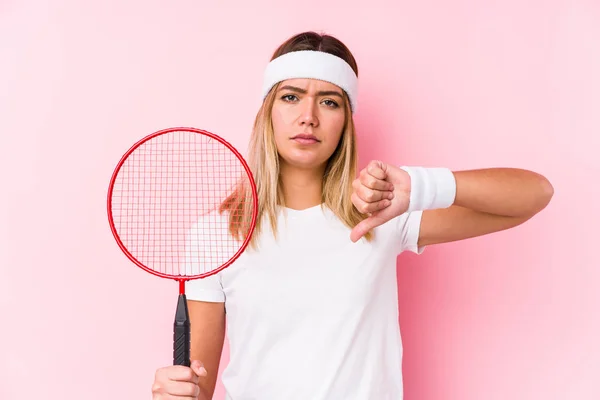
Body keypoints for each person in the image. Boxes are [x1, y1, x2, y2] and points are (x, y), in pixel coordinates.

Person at [151, 31, 554, 400]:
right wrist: (174, 392)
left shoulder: (379, 213)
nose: (308, 115)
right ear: (268, 112)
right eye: (291, 97)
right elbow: (197, 388)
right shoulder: (217, 233)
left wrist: (418, 187)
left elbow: (534, 194)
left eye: (329, 101)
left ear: (346, 121)